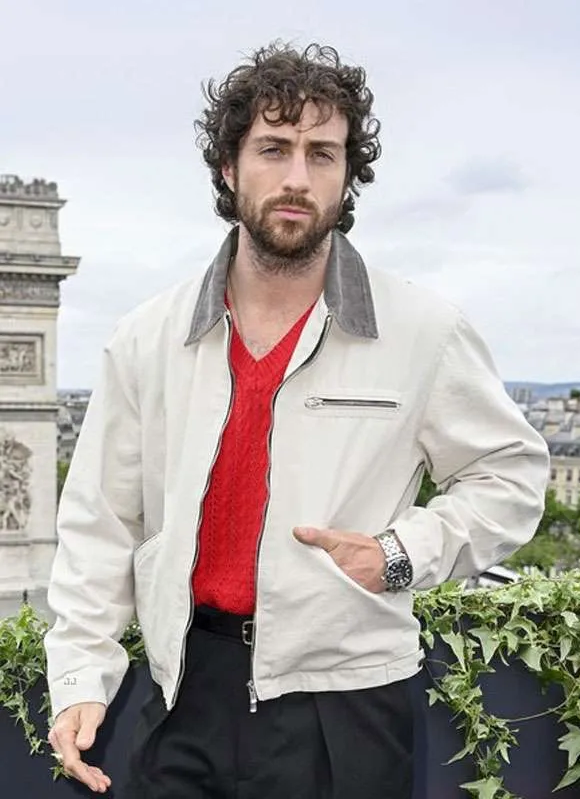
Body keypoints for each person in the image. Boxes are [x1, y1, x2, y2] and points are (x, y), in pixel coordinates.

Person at [44, 42, 549, 798]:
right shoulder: (147, 338)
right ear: (228, 167)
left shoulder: (424, 332)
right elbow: (101, 523)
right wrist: (82, 675)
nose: (297, 178)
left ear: (348, 176)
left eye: (322, 154)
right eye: (274, 149)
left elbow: (511, 475)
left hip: (348, 703)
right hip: (180, 695)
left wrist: (400, 553)